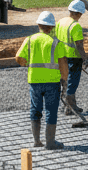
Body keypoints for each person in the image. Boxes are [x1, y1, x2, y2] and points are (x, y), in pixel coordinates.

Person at [15, 9, 69, 148]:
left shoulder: (29, 40)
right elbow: (63, 65)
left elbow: (19, 58)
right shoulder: (56, 43)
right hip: (52, 82)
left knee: (35, 109)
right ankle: (50, 143)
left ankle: (37, 141)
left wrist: (27, 64)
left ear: (39, 25)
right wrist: (64, 81)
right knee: (51, 110)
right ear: (51, 27)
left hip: (34, 81)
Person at [56, 0, 86, 116]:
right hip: (73, 58)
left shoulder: (61, 21)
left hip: (61, 57)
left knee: (64, 81)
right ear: (79, 13)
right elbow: (79, 45)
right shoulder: (76, 26)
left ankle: (70, 105)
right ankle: (69, 108)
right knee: (72, 83)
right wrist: (85, 59)